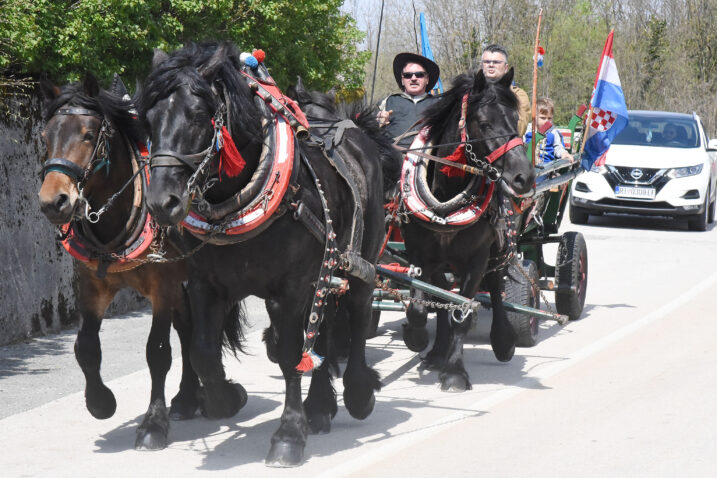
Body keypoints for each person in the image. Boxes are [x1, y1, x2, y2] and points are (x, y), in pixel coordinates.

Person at [377, 52, 441, 148]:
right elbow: (367, 129)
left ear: (427, 79)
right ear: (402, 80)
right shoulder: (387, 102)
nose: (413, 78)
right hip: (394, 158)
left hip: (431, 158)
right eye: (408, 75)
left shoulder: (440, 104)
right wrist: (377, 120)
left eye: (419, 74)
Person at [480, 44, 531, 137]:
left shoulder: (518, 95)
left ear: (506, 68)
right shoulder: (471, 93)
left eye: (496, 62)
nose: (491, 65)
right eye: (487, 62)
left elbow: (519, 128)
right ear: (482, 65)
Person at [523, 97, 574, 166]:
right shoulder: (527, 129)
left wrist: (564, 153)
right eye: (543, 118)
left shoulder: (552, 131)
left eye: (549, 118)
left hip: (546, 167)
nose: (547, 121)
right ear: (534, 116)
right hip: (528, 166)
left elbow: (557, 147)